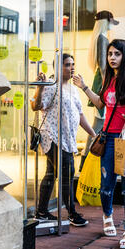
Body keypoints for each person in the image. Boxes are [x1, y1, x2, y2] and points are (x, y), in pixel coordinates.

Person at [73, 39, 125, 249]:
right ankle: (108, 216)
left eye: (117, 54)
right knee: (106, 186)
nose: (112, 58)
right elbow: (102, 104)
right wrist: (85, 87)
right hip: (108, 138)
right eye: (110, 54)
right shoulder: (107, 79)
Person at [31, 53, 97, 226]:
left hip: (67, 139)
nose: (72, 67)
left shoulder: (74, 90)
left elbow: (80, 115)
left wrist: (93, 134)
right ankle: (72, 213)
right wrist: (39, 88)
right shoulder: (51, 86)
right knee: (67, 173)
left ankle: (42, 211)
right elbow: (36, 106)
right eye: (67, 64)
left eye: (73, 64)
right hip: (52, 137)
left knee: (50, 174)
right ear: (58, 67)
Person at [79, 10, 119, 171]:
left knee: (99, 123)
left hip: (101, 82)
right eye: (110, 22)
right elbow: (103, 66)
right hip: (103, 83)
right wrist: (108, 86)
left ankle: (87, 160)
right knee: (99, 123)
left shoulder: (98, 38)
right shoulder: (102, 39)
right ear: (105, 22)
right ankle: (87, 159)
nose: (111, 25)